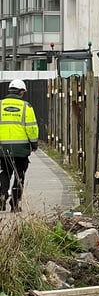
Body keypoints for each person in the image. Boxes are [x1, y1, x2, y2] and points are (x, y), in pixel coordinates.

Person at [0, 79, 39, 212]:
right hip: (21, 149)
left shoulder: (0, 105)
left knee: (4, 172)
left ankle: (2, 195)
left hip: (2, 149)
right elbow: (32, 128)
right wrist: (34, 144)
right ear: (21, 92)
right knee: (19, 175)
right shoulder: (26, 107)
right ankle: (15, 204)